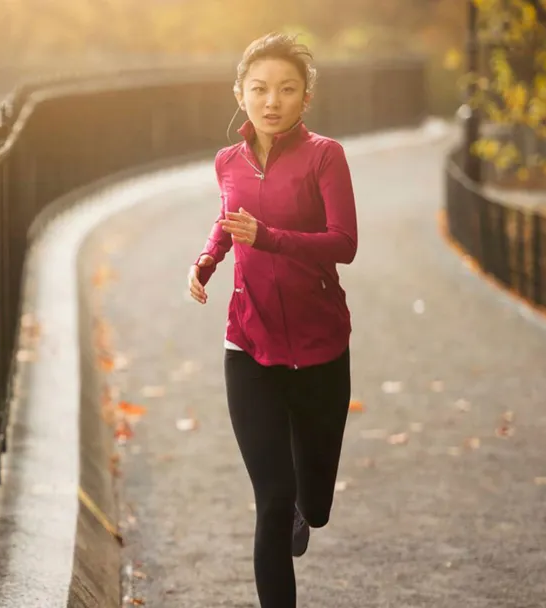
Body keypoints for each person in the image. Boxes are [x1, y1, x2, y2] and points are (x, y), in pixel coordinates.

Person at [186, 32, 358, 608]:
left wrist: (271, 239)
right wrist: (208, 260)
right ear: (240, 93)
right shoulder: (227, 161)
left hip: (320, 350)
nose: (272, 101)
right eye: (259, 89)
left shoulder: (325, 156)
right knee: (272, 499)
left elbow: (344, 242)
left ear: (305, 98)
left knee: (315, 504)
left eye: (287, 89)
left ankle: (306, 509)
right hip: (249, 346)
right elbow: (227, 219)